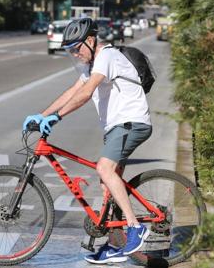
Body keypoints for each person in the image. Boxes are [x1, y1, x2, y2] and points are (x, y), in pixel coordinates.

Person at [22, 17, 152, 264]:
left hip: (131, 123)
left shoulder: (107, 56)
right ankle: (116, 246)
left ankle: (136, 228)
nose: (75, 54)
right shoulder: (91, 63)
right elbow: (72, 91)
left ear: (91, 41)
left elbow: (86, 92)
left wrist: (58, 117)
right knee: (107, 182)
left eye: (77, 48)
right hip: (117, 127)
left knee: (104, 168)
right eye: (70, 51)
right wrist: (43, 115)